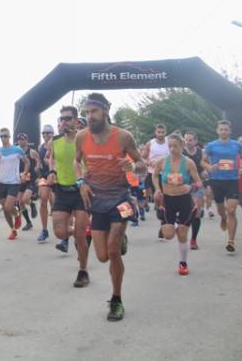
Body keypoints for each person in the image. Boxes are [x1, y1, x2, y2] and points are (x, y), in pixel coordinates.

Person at [74, 93, 145, 322]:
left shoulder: (123, 136)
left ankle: (116, 300)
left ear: (105, 111)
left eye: (94, 111)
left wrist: (133, 167)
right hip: (96, 200)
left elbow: (143, 165)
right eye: (86, 112)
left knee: (113, 251)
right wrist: (81, 182)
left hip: (121, 199)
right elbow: (76, 161)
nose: (90, 116)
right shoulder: (81, 137)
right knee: (103, 256)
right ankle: (120, 240)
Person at [50, 105, 92, 287]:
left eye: (68, 118)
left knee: (80, 236)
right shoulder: (55, 140)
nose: (64, 122)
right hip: (62, 190)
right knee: (59, 232)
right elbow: (52, 158)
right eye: (62, 119)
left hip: (81, 190)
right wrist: (52, 171)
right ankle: (83, 232)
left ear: (76, 120)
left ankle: (83, 271)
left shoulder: (85, 140)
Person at [153, 134, 203, 276]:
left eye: (175, 146)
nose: (172, 149)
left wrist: (190, 187)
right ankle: (173, 223)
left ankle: (183, 263)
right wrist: (157, 189)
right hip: (168, 200)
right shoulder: (162, 161)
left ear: (182, 146)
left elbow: (199, 182)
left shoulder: (188, 163)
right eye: (170, 146)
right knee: (168, 235)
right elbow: (155, 175)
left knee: (182, 234)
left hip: (185, 201)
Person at [203, 120, 242, 253]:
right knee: (221, 209)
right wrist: (209, 167)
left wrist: (241, 167)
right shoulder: (211, 145)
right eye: (221, 129)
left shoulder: (236, 145)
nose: (224, 132)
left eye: (226, 129)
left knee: (231, 210)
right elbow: (203, 161)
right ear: (217, 131)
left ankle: (231, 241)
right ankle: (223, 218)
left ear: (230, 131)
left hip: (232, 180)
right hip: (216, 180)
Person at [0, 127, 28, 240]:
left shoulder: (17, 150)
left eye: (5, 136)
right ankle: (13, 230)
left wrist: (24, 173)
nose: (3, 138)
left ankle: (17, 214)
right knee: (5, 209)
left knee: (8, 207)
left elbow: (27, 162)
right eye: (1, 136)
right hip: (1, 182)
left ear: (9, 137)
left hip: (14, 182)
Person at [182, 131, 205, 249]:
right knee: (185, 211)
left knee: (196, 211)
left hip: (197, 183)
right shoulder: (181, 152)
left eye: (190, 140)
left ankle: (193, 240)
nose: (188, 142)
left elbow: (207, 164)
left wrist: (205, 171)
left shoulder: (201, 152)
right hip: (183, 184)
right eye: (186, 140)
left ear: (196, 141)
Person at [16, 132, 40, 231]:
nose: (21, 141)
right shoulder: (16, 151)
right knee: (20, 203)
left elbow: (39, 161)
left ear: (27, 141)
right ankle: (28, 223)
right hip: (20, 179)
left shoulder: (31, 152)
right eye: (19, 139)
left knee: (25, 199)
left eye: (23, 139)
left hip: (31, 179)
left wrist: (37, 169)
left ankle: (32, 204)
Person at [36, 124, 55, 243]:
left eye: (48, 132)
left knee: (59, 204)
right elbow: (40, 161)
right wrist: (38, 164)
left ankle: (68, 228)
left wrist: (49, 162)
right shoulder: (41, 146)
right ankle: (44, 230)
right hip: (44, 175)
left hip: (57, 175)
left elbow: (56, 161)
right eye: (43, 133)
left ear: (53, 133)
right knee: (43, 199)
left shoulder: (56, 144)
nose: (45, 135)